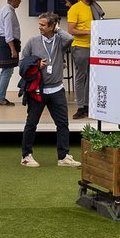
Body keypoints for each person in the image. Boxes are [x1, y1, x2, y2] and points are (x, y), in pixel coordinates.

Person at [19, 13, 81, 168]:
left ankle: (63, 157)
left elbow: (70, 38)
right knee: (31, 124)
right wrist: (35, 65)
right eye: (39, 24)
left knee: (62, 124)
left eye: (43, 25)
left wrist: (58, 29)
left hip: (57, 90)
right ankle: (26, 156)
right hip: (37, 91)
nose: (40, 27)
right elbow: (22, 62)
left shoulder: (60, 40)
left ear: (53, 26)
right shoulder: (33, 41)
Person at [67, 0, 98, 119]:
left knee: (91, 77)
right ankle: (80, 107)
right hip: (80, 47)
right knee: (81, 77)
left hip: (94, 47)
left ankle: (87, 105)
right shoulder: (75, 8)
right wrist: (89, 32)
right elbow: (71, 30)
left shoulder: (93, 8)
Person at [0, 0, 22, 106]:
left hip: (6, 42)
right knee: (7, 71)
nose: (20, 2)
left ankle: (0, 96)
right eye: (19, 0)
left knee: (5, 71)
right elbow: (8, 32)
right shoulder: (9, 12)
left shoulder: (5, 9)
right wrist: (12, 49)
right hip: (8, 44)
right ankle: (0, 98)